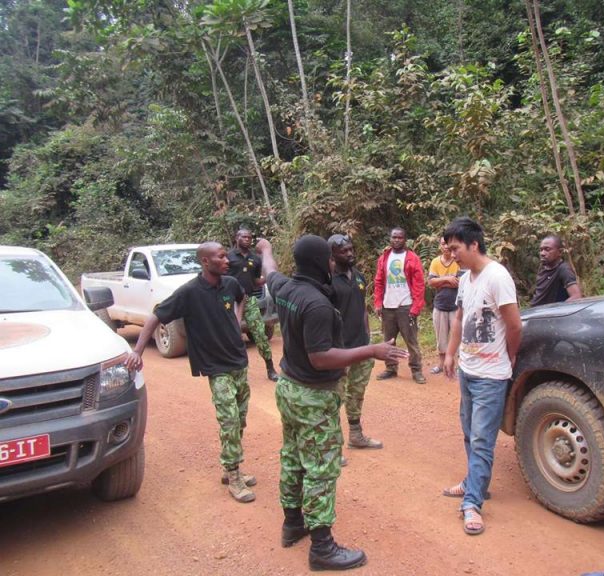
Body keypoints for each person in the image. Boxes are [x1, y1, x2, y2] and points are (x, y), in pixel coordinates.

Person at [256, 235, 408, 571]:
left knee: (292, 456)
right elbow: (321, 357)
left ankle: (293, 523)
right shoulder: (318, 305)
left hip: (288, 388)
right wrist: (372, 350)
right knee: (321, 468)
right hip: (313, 395)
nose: (332, 262)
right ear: (319, 262)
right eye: (328, 258)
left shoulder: (285, 288)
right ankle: (322, 547)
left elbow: (270, 271)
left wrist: (266, 250)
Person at [125, 242, 257, 503]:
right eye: (221, 257)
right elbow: (156, 317)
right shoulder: (189, 292)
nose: (227, 260)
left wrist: (236, 319)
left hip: (239, 362)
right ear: (205, 262)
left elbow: (241, 297)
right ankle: (234, 475)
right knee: (229, 420)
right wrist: (137, 351)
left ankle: (228, 467)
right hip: (216, 367)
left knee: (240, 419)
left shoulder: (230, 284)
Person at [441, 217, 523, 536]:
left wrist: (510, 355)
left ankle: (472, 503)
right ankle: (473, 483)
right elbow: (460, 319)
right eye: (449, 249)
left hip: (491, 375)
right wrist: (451, 354)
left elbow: (514, 325)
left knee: (481, 439)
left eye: (456, 249)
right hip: (468, 369)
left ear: (474, 245)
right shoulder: (465, 279)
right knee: (468, 432)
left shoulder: (497, 277)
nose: (452, 255)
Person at [329, 234, 383, 450]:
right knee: (334, 397)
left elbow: (362, 309)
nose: (350, 253)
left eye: (351, 249)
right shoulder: (327, 281)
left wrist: (367, 336)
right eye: (344, 251)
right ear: (332, 254)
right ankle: (332, 447)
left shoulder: (359, 276)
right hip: (339, 350)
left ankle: (355, 434)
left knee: (357, 393)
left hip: (361, 346)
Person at [373, 227, 427, 384]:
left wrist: (416, 307)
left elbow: (419, 284)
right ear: (390, 238)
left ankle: (416, 370)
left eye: (400, 237)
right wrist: (378, 303)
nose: (396, 240)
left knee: (411, 341)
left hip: (406, 305)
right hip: (387, 306)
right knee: (389, 340)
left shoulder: (412, 258)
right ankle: (391, 368)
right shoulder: (384, 258)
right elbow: (378, 282)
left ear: (405, 239)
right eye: (394, 237)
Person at [227, 228, 279, 382]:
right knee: (231, 336)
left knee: (260, 335)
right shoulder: (228, 257)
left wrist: (268, 277)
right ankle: (234, 371)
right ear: (236, 238)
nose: (247, 239)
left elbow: (255, 280)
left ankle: (270, 368)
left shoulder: (255, 259)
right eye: (244, 237)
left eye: (250, 237)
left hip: (249, 301)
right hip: (230, 302)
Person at [427, 237, 461, 374]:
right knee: (440, 338)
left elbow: (459, 282)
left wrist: (439, 282)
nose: (446, 246)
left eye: (447, 244)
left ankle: (459, 366)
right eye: (443, 244)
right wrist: (448, 279)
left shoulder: (458, 260)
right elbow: (431, 282)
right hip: (440, 305)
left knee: (458, 336)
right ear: (439, 246)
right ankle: (441, 365)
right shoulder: (435, 262)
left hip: (457, 306)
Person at [530, 234, 582, 307]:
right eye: (541, 250)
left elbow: (576, 296)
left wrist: (556, 309)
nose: (542, 253)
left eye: (547, 249)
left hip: (549, 313)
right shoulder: (543, 269)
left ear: (560, 252)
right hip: (535, 312)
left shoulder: (563, 269)